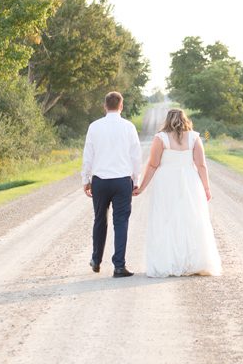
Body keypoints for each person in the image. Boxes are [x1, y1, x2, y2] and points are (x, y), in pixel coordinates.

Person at [134, 108, 222, 277]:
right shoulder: (194, 137)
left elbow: (153, 165)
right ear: (185, 119)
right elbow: (201, 165)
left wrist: (142, 187)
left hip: (166, 182)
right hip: (189, 181)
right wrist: (206, 188)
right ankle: (193, 262)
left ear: (167, 120)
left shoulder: (161, 138)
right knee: (191, 219)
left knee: (166, 220)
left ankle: (169, 262)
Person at [81, 91, 142, 278]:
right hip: (122, 179)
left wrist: (86, 179)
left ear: (105, 106)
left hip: (100, 180)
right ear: (121, 106)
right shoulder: (129, 127)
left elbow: (88, 155)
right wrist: (136, 180)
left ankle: (96, 259)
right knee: (121, 222)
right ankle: (119, 266)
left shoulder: (94, 126)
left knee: (100, 219)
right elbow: (136, 156)